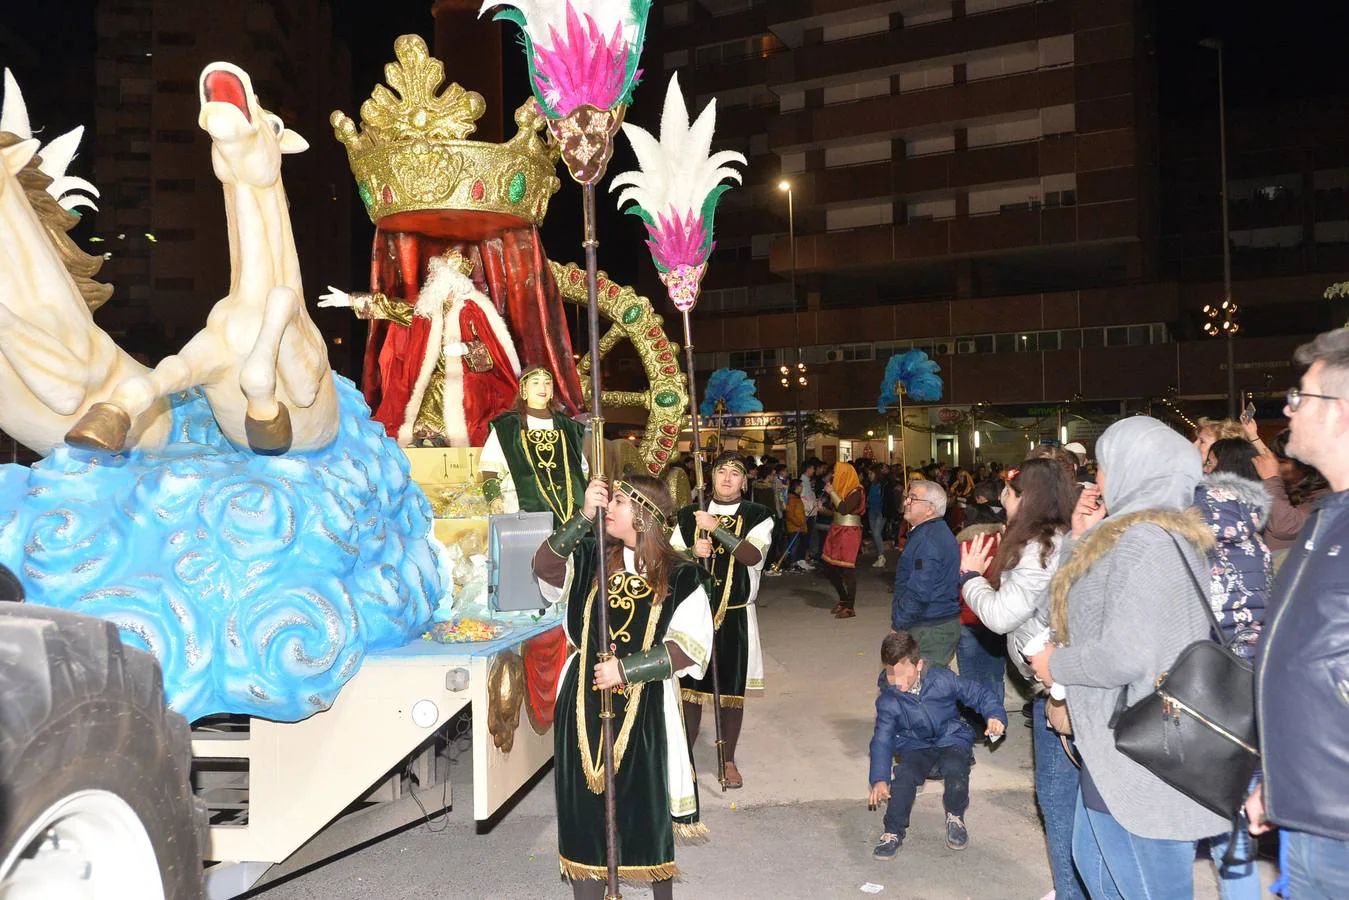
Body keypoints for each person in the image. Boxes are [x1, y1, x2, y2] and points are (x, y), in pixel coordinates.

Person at [1028, 417, 1230, 899]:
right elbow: (1065, 609)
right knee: (1095, 865)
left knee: (1145, 884)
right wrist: (1079, 539)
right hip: (1117, 743)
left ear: (1134, 469)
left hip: (1143, 750)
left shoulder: (1147, 541)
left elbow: (1127, 655)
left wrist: (1057, 666)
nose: (1096, 480)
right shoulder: (1137, 534)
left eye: (1103, 467)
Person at [533, 475, 714, 898]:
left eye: (618, 500)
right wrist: (582, 516)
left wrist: (627, 670)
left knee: (643, 807)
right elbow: (543, 566)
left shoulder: (683, 574)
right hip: (580, 699)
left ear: (645, 515)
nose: (608, 506)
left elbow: (690, 647)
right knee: (582, 811)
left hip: (646, 704)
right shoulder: (591, 555)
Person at [1247, 328, 1349, 898]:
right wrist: (1278, 781)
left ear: (1338, 412)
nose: (1287, 412)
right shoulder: (1328, 516)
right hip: (1310, 812)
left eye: (1298, 398)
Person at [958, 459, 1082, 900]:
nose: (1003, 501)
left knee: (1057, 797)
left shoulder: (1039, 546)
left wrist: (970, 578)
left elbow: (999, 615)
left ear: (1024, 498)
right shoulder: (1060, 536)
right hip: (1062, 678)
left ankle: (1071, 891)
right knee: (1076, 797)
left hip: (1057, 687)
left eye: (1009, 494)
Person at [319, 249, 520, 447]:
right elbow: (393, 308)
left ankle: (437, 437)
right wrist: (350, 300)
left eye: (435, 276)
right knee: (428, 386)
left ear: (451, 282)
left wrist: (465, 349)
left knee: (439, 386)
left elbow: (491, 355)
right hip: (434, 377)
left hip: (470, 381)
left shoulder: (472, 311)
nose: (430, 279)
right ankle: (427, 439)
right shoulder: (427, 311)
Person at [1194, 436, 1270, 900]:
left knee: (1197, 800)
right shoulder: (1255, 540)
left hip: (1210, 681)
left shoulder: (1198, 550)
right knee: (1238, 805)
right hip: (1252, 680)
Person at [672, 453, 774, 789]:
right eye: (721, 472)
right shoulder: (689, 515)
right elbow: (668, 559)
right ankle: (683, 758)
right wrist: (691, 553)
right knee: (690, 688)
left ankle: (728, 759)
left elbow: (753, 555)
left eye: (735, 473)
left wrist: (717, 530)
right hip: (693, 613)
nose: (727, 479)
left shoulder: (758, 516)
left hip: (735, 616)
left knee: (731, 692)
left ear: (744, 481)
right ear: (710, 477)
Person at [868, 630, 1007, 859]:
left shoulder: (943, 678)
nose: (897, 680)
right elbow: (881, 740)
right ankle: (892, 832)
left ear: (919, 664)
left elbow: (978, 693)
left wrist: (995, 715)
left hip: (950, 737)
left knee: (956, 768)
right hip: (914, 745)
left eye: (904, 671)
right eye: (891, 673)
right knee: (903, 777)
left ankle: (955, 816)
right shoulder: (888, 699)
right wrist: (879, 779)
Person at [478, 367, 587, 521]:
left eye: (547, 383)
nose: (542, 388)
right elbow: (491, 468)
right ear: (524, 389)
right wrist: (494, 499)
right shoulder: (508, 426)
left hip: (570, 514)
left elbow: (581, 470)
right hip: (522, 512)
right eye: (535, 383)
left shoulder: (569, 427)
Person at [1195, 437, 1271, 659]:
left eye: (1210, 463)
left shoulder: (1196, 535)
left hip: (1212, 657)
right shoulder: (1257, 535)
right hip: (1254, 656)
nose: (1204, 470)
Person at [891, 480, 961, 663]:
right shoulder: (929, 532)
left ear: (930, 509)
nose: (906, 502)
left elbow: (918, 592)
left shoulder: (928, 540)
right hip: (932, 622)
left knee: (923, 684)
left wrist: (898, 625)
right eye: (907, 497)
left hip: (931, 627)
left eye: (913, 499)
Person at [1247, 425, 1330, 556]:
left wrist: (1271, 479)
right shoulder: (1290, 485)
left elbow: (1286, 527)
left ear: (1304, 464)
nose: (1274, 465)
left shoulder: (1325, 496)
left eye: (1281, 462)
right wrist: (1253, 436)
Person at [822, 461, 866, 618]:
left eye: (837, 472)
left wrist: (832, 493)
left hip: (849, 533)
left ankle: (850, 606)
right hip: (837, 530)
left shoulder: (856, 491)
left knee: (847, 569)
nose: (834, 475)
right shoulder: (842, 490)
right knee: (830, 567)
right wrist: (823, 509)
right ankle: (843, 599)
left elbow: (845, 509)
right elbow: (836, 513)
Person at [783, 478, 808, 568]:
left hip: (799, 527)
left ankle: (796, 563)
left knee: (798, 547)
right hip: (794, 527)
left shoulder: (797, 498)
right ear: (796, 487)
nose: (802, 488)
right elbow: (790, 514)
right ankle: (791, 564)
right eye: (800, 486)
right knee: (793, 547)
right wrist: (799, 523)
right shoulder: (792, 498)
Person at [867, 467, 889, 568]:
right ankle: (879, 555)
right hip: (872, 511)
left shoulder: (883, 485)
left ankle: (881, 556)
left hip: (880, 512)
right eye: (869, 474)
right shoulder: (870, 485)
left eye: (871, 474)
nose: (869, 476)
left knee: (876, 533)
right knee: (875, 534)